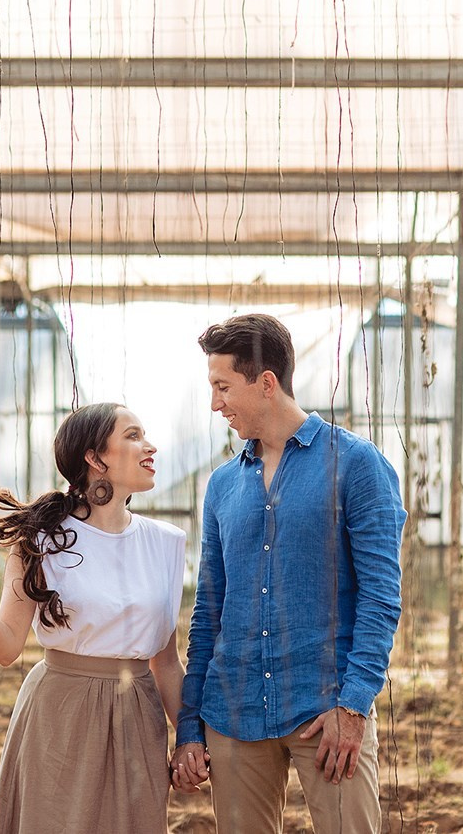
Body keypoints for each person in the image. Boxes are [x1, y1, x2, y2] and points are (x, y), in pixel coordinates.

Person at [172, 314, 404, 834]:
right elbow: (208, 612)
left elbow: (381, 597)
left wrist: (354, 705)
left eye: (223, 386)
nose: (216, 404)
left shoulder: (357, 465)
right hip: (233, 713)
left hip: (325, 711)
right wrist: (190, 725)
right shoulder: (222, 486)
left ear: (267, 383)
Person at [0, 402, 187, 834]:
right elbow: (7, 646)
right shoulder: (41, 539)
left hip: (138, 718)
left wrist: (189, 737)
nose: (149, 446)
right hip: (60, 715)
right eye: (133, 436)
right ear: (95, 458)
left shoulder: (167, 543)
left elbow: (166, 663)